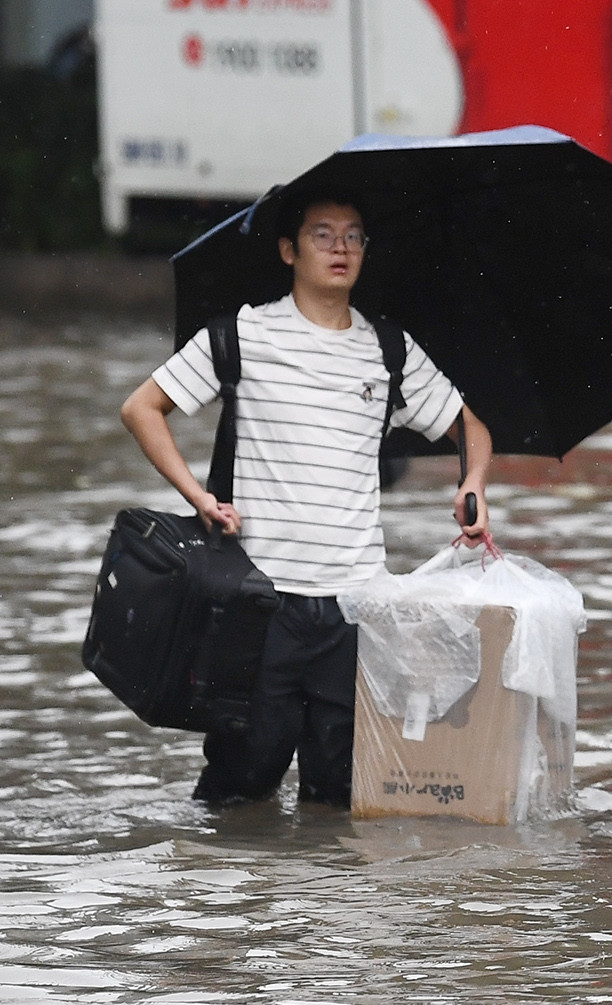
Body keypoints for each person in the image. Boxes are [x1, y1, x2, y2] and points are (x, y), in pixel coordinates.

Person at [119, 190, 493, 808]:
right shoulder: (242, 335)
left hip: (355, 609)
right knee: (239, 791)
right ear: (289, 251)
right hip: (259, 603)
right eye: (323, 234)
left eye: (354, 236)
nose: (341, 247)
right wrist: (199, 496)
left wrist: (473, 479)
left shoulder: (390, 353)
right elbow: (141, 408)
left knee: (340, 798)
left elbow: (471, 427)